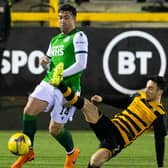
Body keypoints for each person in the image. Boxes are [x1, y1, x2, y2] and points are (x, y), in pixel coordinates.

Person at [11, 4, 88, 168]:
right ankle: (28, 152)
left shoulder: (79, 36)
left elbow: (81, 64)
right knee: (29, 110)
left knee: (55, 129)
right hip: (49, 82)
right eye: (60, 17)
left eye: (66, 17)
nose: (62, 20)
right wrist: (44, 63)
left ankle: (71, 153)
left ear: (74, 18)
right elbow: (49, 64)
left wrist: (60, 76)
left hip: (68, 89)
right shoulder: (55, 40)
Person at [51, 70, 167, 168]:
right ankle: (60, 84)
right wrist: (103, 99)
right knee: (87, 106)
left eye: (151, 89)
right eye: (147, 87)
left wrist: (160, 165)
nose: (146, 91)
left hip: (118, 140)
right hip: (110, 126)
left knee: (95, 161)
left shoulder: (158, 114)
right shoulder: (140, 95)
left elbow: (159, 141)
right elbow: (124, 101)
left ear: (160, 92)